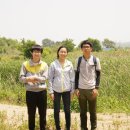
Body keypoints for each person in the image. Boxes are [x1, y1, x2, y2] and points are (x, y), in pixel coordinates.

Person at [19, 44, 48, 130]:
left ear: (41, 54)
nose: (37, 53)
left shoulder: (44, 65)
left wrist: (35, 78)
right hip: (30, 93)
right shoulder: (25, 64)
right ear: (31, 53)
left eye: (38, 52)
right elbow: (21, 78)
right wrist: (28, 79)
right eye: (35, 51)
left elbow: (45, 78)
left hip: (42, 92)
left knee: (42, 114)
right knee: (31, 114)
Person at [75, 40, 101, 130]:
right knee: (82, 112)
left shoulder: (95, 60)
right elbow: (76, 75)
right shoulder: (78, 60)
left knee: (93, 111)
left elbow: (98, 75)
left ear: (91, 49)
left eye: (87, 47)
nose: (86, 48)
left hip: (91, 89)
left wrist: (96, 88)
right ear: (81, 49)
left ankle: (93, 127)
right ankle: (83, 127)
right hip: (81, 89)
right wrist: (76, 88)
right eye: (84, 47)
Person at [48, 46, 75, 130]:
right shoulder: (53, 64)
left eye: (64, 52)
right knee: (56, 110)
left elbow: (72, 79)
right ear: (58, 53)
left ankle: (68, 127)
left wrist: (72, 91)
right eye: (61, 51)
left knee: (67, 110)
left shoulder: (69, 64)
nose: (63, 53)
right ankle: (58, 127)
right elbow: (50, 79)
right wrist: (51, 91)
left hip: (67, 90)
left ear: (67, 53)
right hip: (56, 90)